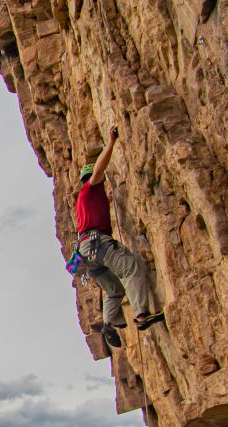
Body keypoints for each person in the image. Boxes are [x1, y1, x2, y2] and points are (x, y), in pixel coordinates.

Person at [75, 126, 164, 348]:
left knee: (114, 290)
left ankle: (108, 324)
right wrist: (111, 143)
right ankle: (142, 315)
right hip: (99, 244)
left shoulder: (84, 200)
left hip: (87, 254)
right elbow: (98, 171)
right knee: (130, 269)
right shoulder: (90, 188)